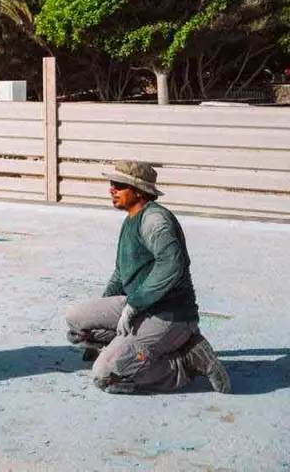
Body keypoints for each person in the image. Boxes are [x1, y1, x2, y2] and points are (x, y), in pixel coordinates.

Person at [65, 160, 231, 394]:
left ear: (138, 191)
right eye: (112, 183)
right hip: (140, 305)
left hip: (169, 315)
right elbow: (121, 274)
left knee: (105, 375)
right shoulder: (130, 219)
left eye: (119, 185)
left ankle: (187, 360)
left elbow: (172, 264)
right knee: (77, 320)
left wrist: (133, 305)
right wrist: (103, 314)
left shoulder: (155, 220)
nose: (111, 189)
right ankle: (120, 347)